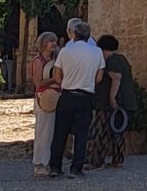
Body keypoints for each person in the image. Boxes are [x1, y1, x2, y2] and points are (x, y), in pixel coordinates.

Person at [49, 14, 104, 180]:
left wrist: (66, 83)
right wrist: (87, 82)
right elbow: (99, 77)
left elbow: (56, 75)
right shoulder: (97, 52)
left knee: (60, 132)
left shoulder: (65, 51)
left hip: (67, 95)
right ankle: (76, 168)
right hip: (85, 96)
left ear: (74, 33)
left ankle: (55, 167)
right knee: (81, 134)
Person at [90, 32, 133, 169]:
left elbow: (116, 77)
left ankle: (97, 161)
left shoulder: (111, 60)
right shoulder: (122, 59)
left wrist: (112, 98)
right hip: (125, 101)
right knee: (119, 132)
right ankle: (117, 159)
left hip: (109, 103)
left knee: (101, 131)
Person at [27, 28, 61, 175]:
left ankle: (51, 162)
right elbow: (39, 83)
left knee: (54, 131)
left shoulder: (56, 59)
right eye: (50, 41)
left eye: (55, 41)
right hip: (45, 97)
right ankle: (40, 162)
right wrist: (55, 79)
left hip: (57, 95)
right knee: (43, 130)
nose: (53, 43)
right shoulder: (38, 61)